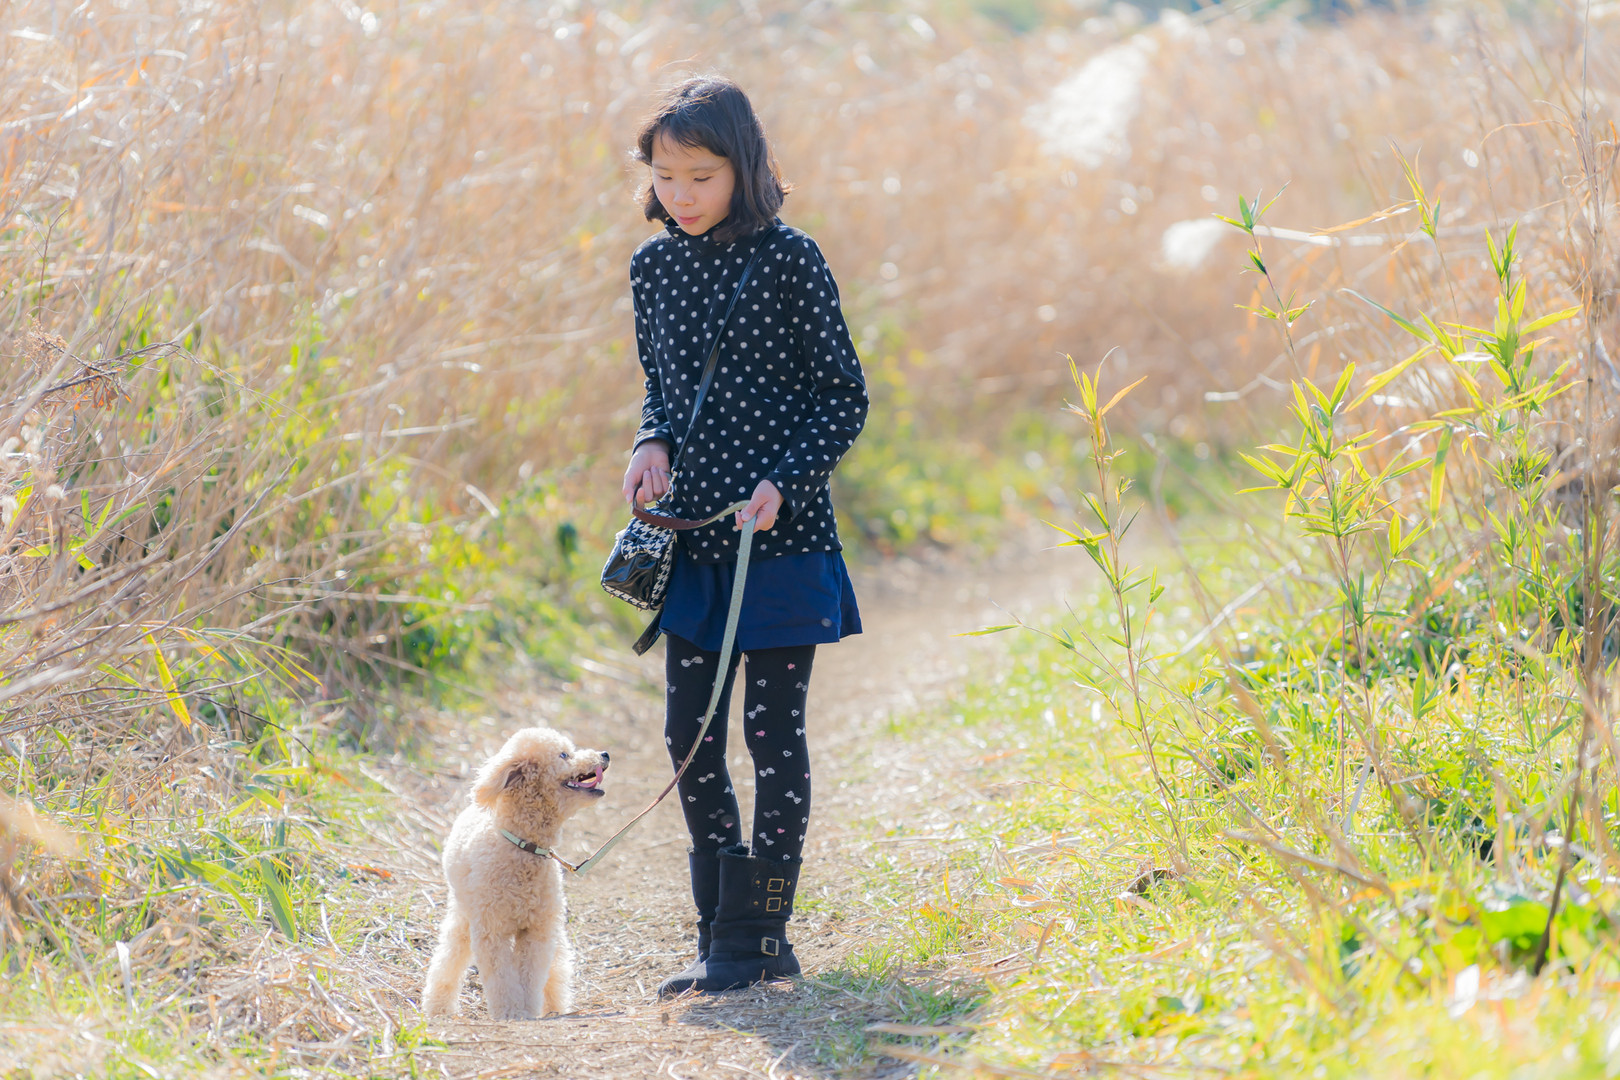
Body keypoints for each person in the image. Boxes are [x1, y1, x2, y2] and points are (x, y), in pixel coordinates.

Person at [619, 76, 868, 995]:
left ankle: (759, 939)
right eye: (665, 175)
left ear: (745, 167)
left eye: (701, 175)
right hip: (695, 543)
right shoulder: (652, 269)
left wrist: (783, 482)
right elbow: (662, 388)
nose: (680, 194)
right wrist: (650, 442)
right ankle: (719, 934)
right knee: (688, 737)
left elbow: (843, 396)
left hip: (783, 539)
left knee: (771, 734)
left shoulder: (791, 260)